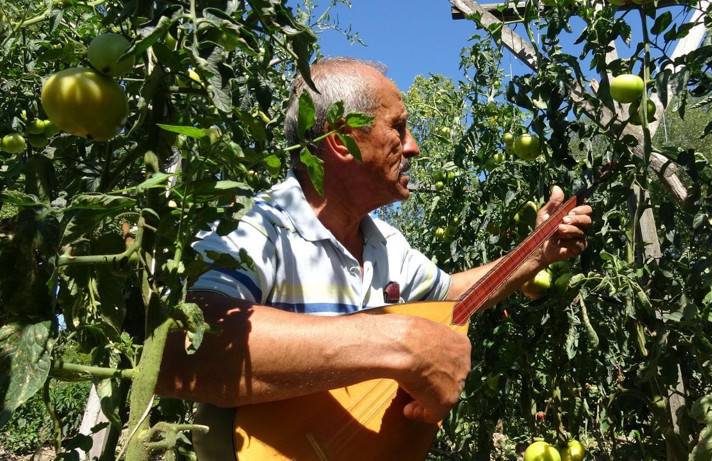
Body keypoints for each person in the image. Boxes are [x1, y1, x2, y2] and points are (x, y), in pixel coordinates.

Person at [155, 57, 593, 459]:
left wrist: (533, 254)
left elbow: (453, 297)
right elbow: (183, 348)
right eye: (399, 128)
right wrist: (398, 343)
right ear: (343, 140)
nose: (413, 147)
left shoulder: (386, 243)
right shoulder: (256, 227)